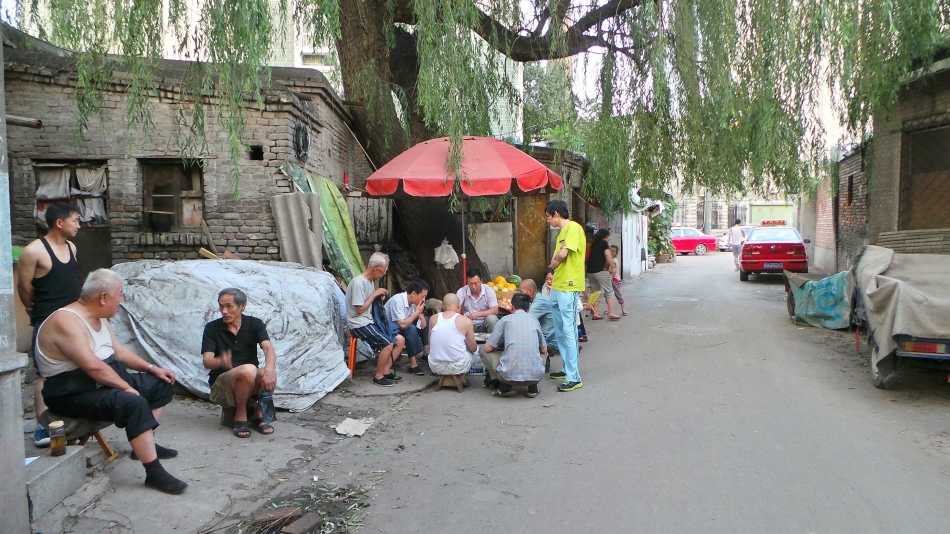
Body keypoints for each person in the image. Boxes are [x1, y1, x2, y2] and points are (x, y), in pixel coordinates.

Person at [35, 269, 187, 494]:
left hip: (100, 380)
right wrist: (126, 387)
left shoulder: (99, 317)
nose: (122, 300)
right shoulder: (66, 321)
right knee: (132, 402)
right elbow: (92, 366)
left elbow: (120, 352)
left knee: (161, 383)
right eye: (120, 294)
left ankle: (144, 445)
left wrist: (153, 368)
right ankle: (154, 472)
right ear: (103, 297)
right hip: (72, 391)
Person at [16, 202, 83, 448]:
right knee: (46, 375)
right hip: (47, 321)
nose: (78, 225)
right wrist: (32, 309)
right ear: (59, 223)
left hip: (73, 319)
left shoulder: (72, 247)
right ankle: (43, 428)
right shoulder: (33, 251)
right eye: (75, 220)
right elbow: (23, 287)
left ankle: (73, 420)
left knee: (79, 368)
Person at [201, 288, 277, 438]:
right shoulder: (212, 328)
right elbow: (207, 361)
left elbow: (268, 349)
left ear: (242, 306)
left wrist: (270, 370)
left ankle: (259, 413)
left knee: (265, 373)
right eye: (221, 306)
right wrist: (220, 361)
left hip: (248, 381)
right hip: (222, 385)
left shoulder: (255, 324)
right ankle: (240, 413)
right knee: (249, 369)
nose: (224, 311)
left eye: (229, 306)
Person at [346, 252, 406, 387]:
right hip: (358, 323)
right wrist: (374, 295)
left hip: (369, 320)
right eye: (384, 270)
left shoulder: (370, 282)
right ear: (376, 267)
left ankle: (385, 370)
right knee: (388, 343)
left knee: (400, 340)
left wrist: (378, 298)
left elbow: (369, 303)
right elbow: (359, 309)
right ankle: (378, 376)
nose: (384, 273)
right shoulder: (358, 283)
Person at [544, 200, 586, 392]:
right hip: (559, 285)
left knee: (569, 330)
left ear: (556, 214)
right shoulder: (562, 233)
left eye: (548, 216)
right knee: (560, 329)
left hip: (569, 286)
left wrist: (550, 267)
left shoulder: (574, 229)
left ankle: (573, 376)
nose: (548, 220)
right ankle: (566, 367)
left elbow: (562, 255)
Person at [480, 293, 547, 398]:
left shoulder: (505, 320)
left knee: (482, 349)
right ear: (528, 310)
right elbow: (544, 349)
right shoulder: (534, 320)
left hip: (507, 376)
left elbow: (488, 348)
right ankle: (533, 388)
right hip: (535, 376)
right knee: (544, 351)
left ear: (512, 307)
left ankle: (501, 384)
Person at [427, 294, 478, 386]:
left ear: (442, 306)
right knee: (477, 350)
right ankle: (462, 377)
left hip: (435, 366)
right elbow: (473, 348)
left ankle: (443, 377)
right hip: (458, 367)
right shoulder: (466, 321)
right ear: (459, 306)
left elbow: (430, 345)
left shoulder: (433, 318)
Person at [384, 279, 429, 376]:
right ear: (413, 294)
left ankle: (426, 354)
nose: (424, 300)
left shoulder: (411, 302)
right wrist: (417, 313)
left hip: (401, 327)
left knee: (426, 320)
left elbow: (411, 315)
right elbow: (402, 324)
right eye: (423, 296)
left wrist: (420, 316)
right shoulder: (398, 301)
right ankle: (413, 365)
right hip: (390, 329)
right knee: (410, 328)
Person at [586, 228, 619, 320]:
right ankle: (611, 312)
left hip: (590, 272)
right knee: (609, 291)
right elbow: (608, 255)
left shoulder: (593, 244)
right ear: (606, 236)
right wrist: (613, 267)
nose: (609, 239)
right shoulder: (604, 243)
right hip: (600, 271)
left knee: (595, 292)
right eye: (608, 237)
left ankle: (595, 313)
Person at [520, 278, 557, 357]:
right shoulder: (537, 300)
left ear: (530, 291)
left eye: (522, 292)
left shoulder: (540, 302)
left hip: (549, 342)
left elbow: (524, 320)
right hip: (548, 338)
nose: (521, 295)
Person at [456, 267, 499, 333]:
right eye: (470, 283)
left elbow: (495, 310)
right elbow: (455, 306)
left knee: (492, 319)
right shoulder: (462, 291)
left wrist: (478, 314)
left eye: (476, 283)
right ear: (467, 282)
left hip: (485, 322)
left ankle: (492, 342)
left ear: (481, 281)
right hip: (469, 324)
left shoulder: (489, 291)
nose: (473, 287)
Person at [609, 244, 627, 316]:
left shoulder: (614, 260)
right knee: (609, 295)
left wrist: (606, 270)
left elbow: (613, 271)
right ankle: (609, 310)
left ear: (616, 253)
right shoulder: (610, 260)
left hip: (614, 280)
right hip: (611, 279)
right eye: (610, 251)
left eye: (613, 251)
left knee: (618, 294)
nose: (612, 253)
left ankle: (623, 309)